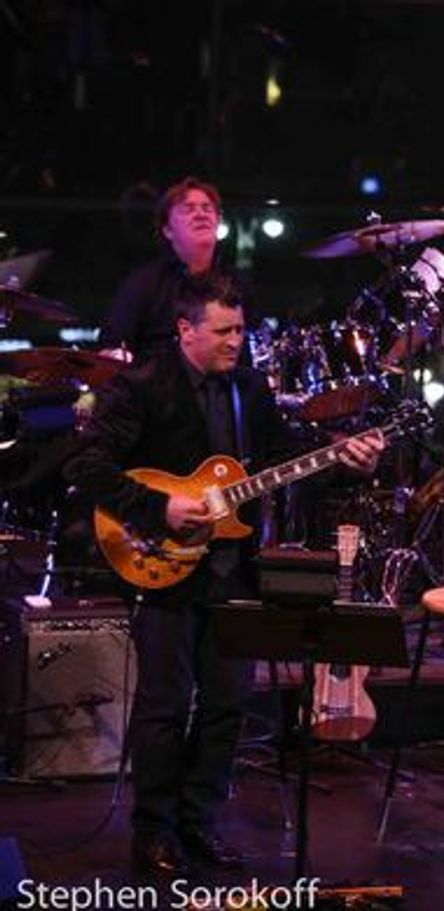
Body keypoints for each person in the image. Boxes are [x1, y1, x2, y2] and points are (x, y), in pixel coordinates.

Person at [65, 275, 383, 876]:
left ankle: (198, 824)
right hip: (162, 565)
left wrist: (344, 460)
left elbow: (283, 458)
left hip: (233, 571)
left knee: (227, 706)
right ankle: (153, 833)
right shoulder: (141, 386)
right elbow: (85, 464)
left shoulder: (249, 387)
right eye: (224, 330)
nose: (237, 340)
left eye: (241, 329)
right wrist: (160, 507)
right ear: (186, 330)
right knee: (164, 707)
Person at [105, 177, 256, 363]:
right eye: (188, 209)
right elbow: (111, 348)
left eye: (207, 208)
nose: (200, 214)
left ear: (218, 222)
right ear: (168, 230)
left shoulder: (237, 283)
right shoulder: (143, 284)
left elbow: (252, 349)